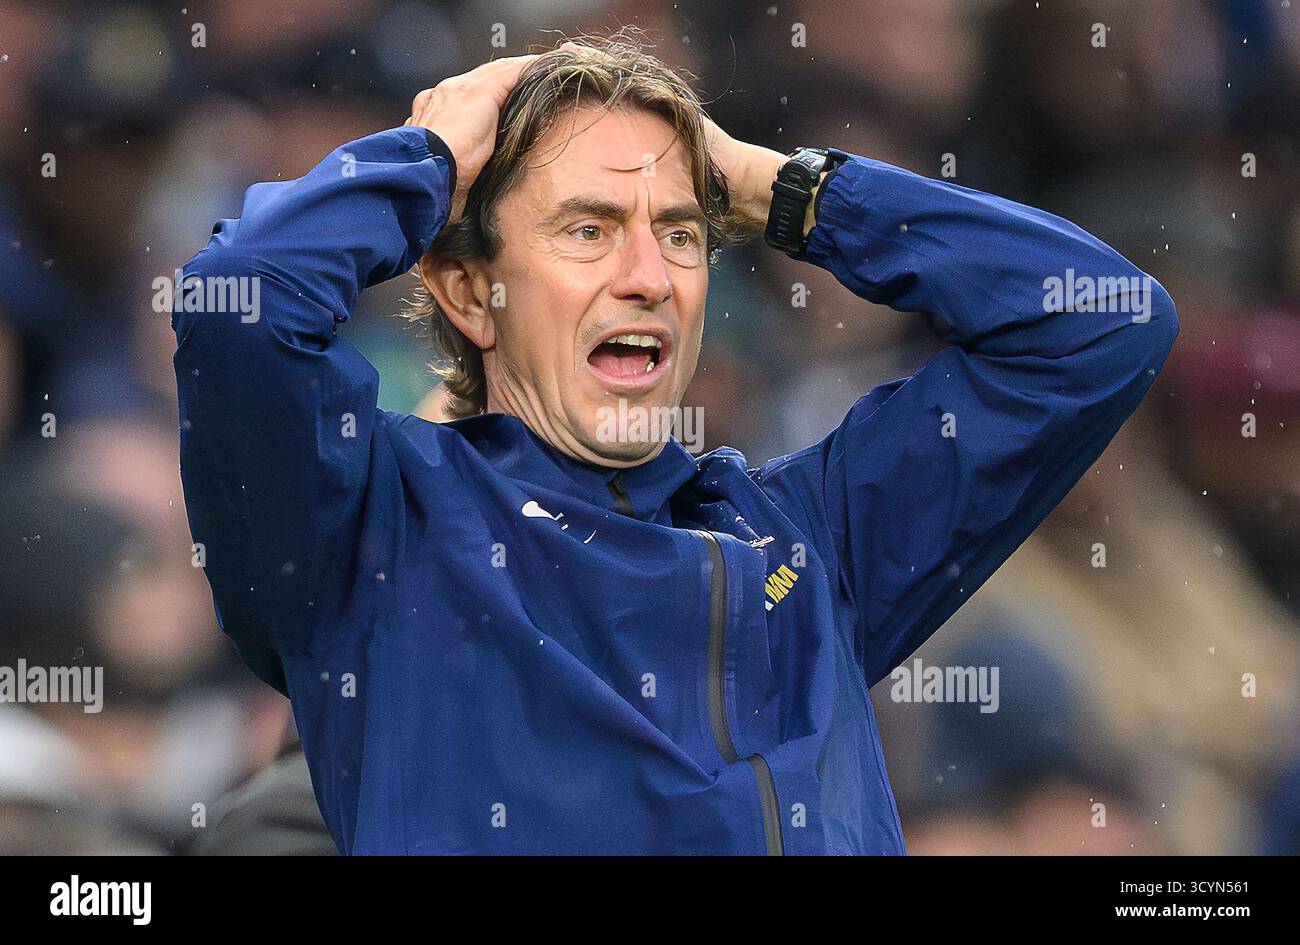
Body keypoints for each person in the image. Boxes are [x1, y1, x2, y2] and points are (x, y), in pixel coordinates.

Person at [171, 33, 1177, 854]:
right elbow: (240, 306)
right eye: (589, 229)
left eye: (684, 232)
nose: (651, 275)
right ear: (472, 290)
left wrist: (782, 191)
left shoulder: (812, 538)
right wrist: (426, 161)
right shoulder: (373, 529)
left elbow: (1102, 322)